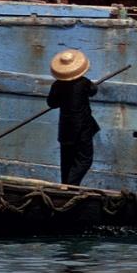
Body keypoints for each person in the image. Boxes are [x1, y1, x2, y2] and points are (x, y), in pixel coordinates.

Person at [47, 49, 100, 185]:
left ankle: (65, 186)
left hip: (65, 128)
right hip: (82, 127)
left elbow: (52, 103)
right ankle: (71, 186)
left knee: (67, 161)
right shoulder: (83, 83)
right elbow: (93, 91)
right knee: (84, 159)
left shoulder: (57, 85)